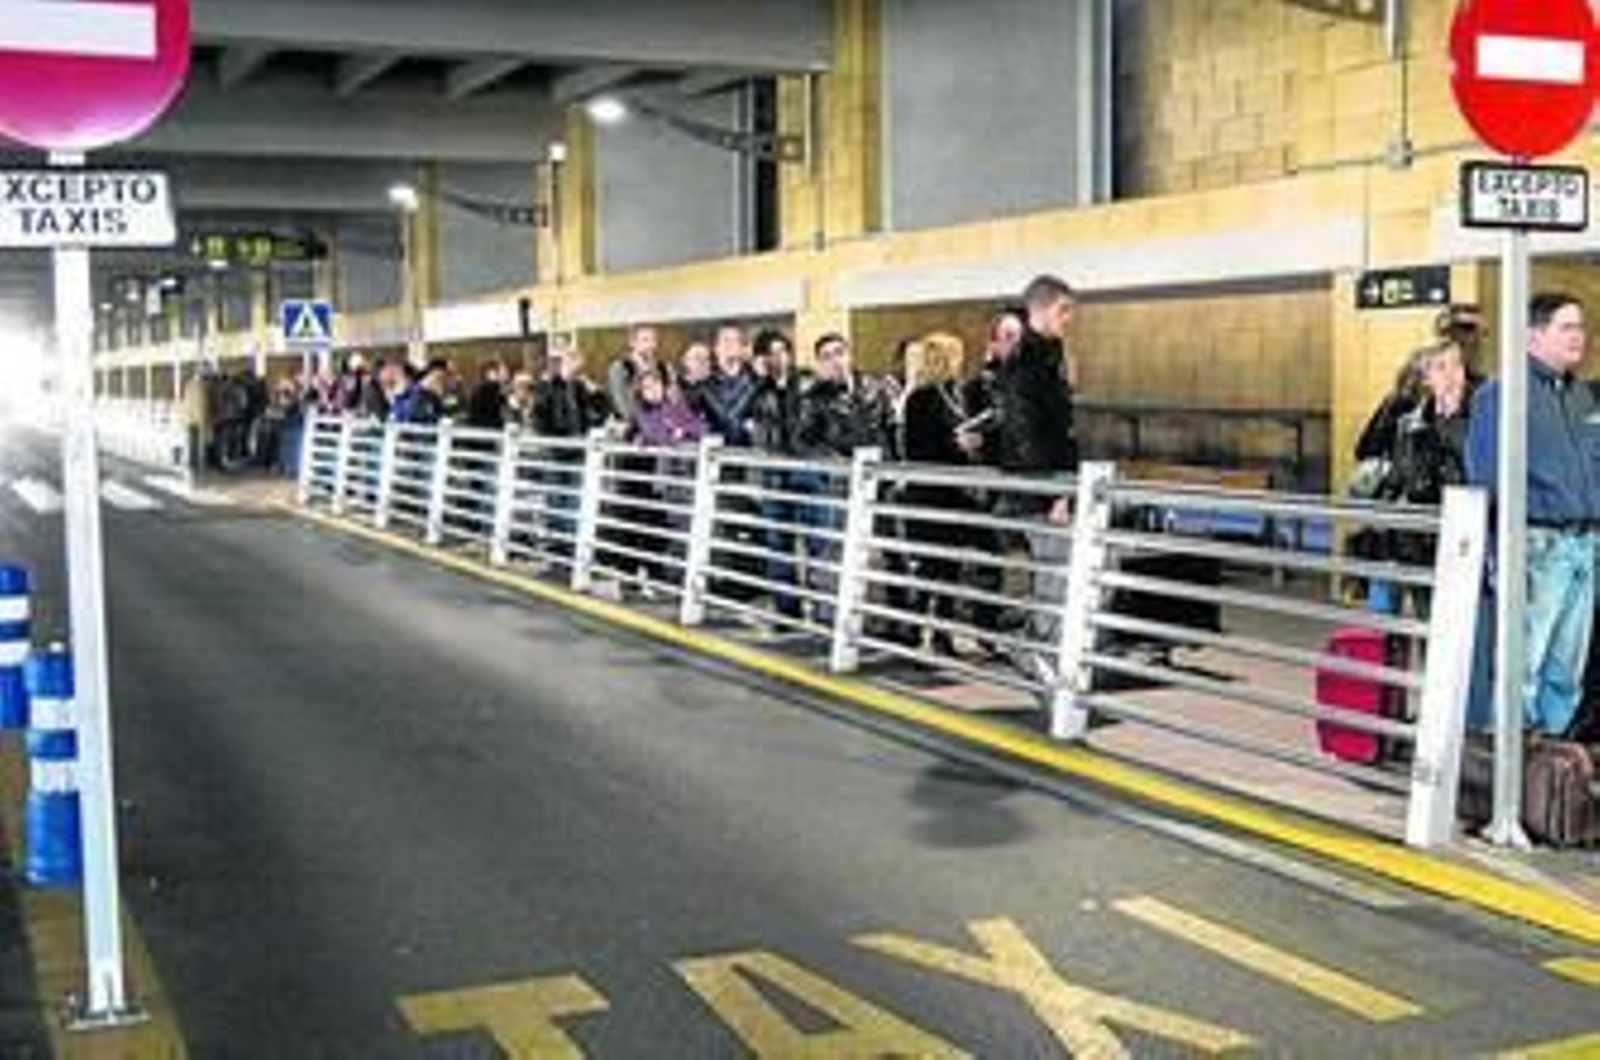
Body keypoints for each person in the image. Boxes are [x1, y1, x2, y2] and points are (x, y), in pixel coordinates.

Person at [1466, 291, 1600, 737]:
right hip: (1535, 545)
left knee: (1566, 670)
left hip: (1583, 545)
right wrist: (1493, 554)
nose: (1578, 336)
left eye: (1580, 327)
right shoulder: (1501, 394)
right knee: (1522, 665)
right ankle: (1511, 767)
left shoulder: (1582, 394)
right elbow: (1484, 478)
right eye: (1567, 327)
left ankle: (1550, 768)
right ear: (1532, 336)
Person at [900, 331, 984, 656]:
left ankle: (942, 634)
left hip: (952, 493)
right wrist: (957, 445)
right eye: (956, 355)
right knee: (931, 567)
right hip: (928, 495)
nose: (960, 361)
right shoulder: (922, 398)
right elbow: (919, 449)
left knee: (950, 568)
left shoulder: (954, 394)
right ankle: (918, 629)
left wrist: (970, 444)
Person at [608, 324, 662, 428]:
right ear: (632, 343)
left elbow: (671, 401)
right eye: (645, 340)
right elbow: (622, 405)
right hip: (632, 430)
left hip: (660, 428)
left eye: (654, 340)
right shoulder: (620, 368)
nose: (651, 344)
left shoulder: (662, 368)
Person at [465, 360, 508, 430]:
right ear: (491, 373)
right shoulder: (487, 390)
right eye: (503, 371)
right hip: (486, 431)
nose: (506, 374)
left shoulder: (497, 390)